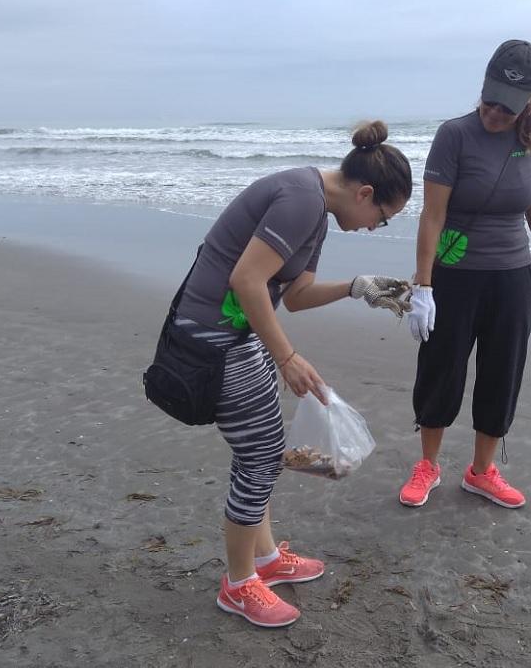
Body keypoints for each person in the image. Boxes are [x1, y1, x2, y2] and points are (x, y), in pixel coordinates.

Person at [171, 120, 412, 628]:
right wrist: (286, 357)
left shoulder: (317, 213)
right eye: (382, 217)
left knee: (267, 446)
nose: (374, 227)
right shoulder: (301, 198)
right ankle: (238, 585)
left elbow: (295, 296)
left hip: (242, 333)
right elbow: (246, 279)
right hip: (213, 336)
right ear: (365, 193)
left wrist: (356, 286)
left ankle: (263, 560)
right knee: (258, 454)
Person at [400, 40, 531, 509]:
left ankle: (481, 471)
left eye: (507, 106)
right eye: (489, 99)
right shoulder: (453, 135)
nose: (494, 113)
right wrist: (423, 286)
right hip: (454, 275)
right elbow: (432, 216)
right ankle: (428, 465)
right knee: (441, 370)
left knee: (502, 372)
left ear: (528, 103)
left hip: (511, 277)